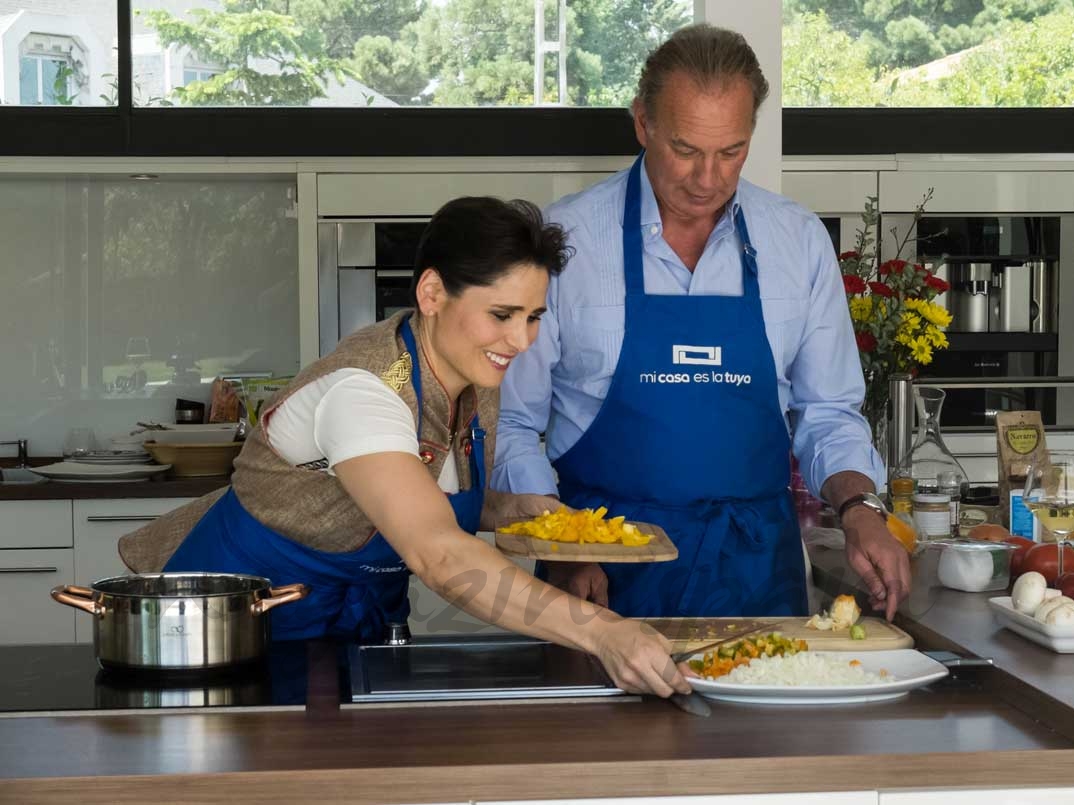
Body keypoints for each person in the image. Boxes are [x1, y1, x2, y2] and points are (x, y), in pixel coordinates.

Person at [118, 196, 691, 699]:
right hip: (227, 642)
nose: (520, 341)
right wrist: (602, 631)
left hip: (349, 636)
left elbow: (413, 488)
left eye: (534, 317)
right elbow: (438, 554)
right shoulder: (362, 390)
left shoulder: (468, 373)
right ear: (433, 292)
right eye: (502, 315)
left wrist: (507, 510)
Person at [491, 25, 911, 621]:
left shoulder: (796, 240)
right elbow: (510, 423)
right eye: (685, 150)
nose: (708, 179)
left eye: (731, 152)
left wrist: (861, 510)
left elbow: (828, 412)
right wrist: (562, 543)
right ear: (643, 123)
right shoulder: (566, 242)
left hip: (758, 572)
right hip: (600, 575)